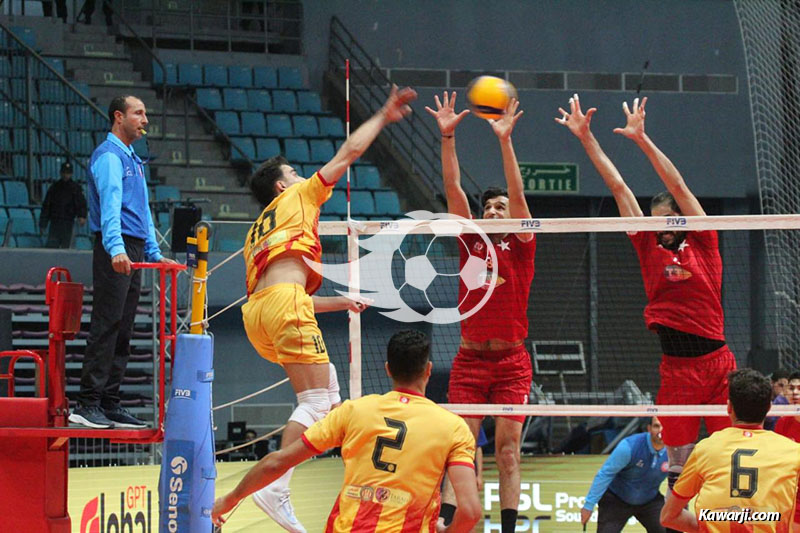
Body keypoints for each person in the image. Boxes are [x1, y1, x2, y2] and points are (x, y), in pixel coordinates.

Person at [240, 86, 416, 532]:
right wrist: (383, 114)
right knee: (321, 399)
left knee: (324, 394)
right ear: (283, 185)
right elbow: (349, 151)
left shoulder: (258, 231)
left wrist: (343, 302)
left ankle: (276, 481)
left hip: (259, 312)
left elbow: (286, 296)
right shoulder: (297, 198)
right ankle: (273, 485)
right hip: (282, 306)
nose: (303, 176)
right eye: (295, 172)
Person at [557, 93, 737, 494]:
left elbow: (677, 182)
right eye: (657, 221)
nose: (663, 226)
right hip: (676, 370)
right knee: (677, 465)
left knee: (730, 451)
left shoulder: (704, 239)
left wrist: (642, 139)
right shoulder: (645, 244)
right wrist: (586, 138)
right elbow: (618, 185)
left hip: (718, 366)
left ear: (683, 218)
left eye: (670, 219)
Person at [212, 330, 481, 532]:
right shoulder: (452, 426)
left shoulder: (354, 411)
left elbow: (278, 462)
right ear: (429, 370)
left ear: (387, 370)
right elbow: (469, 511)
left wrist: (230, 499)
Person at [426, 92, 535, 533]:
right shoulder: (471, 241)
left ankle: (508, 528)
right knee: (462, 447)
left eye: (499, 207)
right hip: (470, 361)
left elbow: (518, 194)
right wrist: (448, 135)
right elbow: (453, 188)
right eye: (488, 206)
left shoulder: (523, 244)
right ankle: (449, 522)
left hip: (511, 363)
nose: (492, 211)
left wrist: (505, 141)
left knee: (507, 451)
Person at [69, 95, 175, 429]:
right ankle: (86, 404)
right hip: (115, 248)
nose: (145, 120)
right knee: (107, 324)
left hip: (132, 247)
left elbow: (141, 211)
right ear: (119, 117)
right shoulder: (109, 157)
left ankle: (109, 402)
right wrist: (116, 249)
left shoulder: (132, 158)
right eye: (138, 113)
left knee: (124, 328)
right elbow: (111, 205)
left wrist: (153, 252)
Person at [660, 369, 800, 533]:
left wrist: (710, 528)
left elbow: (669, 516)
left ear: (728, 407)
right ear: (769, 408)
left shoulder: (705, 449)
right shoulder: (793, 452)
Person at [580, 417, 668, 533]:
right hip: (617, 499)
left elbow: (678, 481)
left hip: (649, 500)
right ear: (649, 428)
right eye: (656, 426)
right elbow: (605, 474)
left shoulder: (675, 451)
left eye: (665, 427)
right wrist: (588, 505)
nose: (661, 430)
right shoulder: (629, 446)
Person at [39, 161, 88, 248]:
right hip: (55, 222)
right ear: (60, 173)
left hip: (68, 222)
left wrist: (82, 215)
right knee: (52, 248)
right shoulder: (54, 188)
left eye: (68, 173)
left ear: (71, 174)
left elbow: (81, 203)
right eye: (64, 172)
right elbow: (47, 206)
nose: (66, 175)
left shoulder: (75, 188)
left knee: (67, 247)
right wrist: (43, 223)